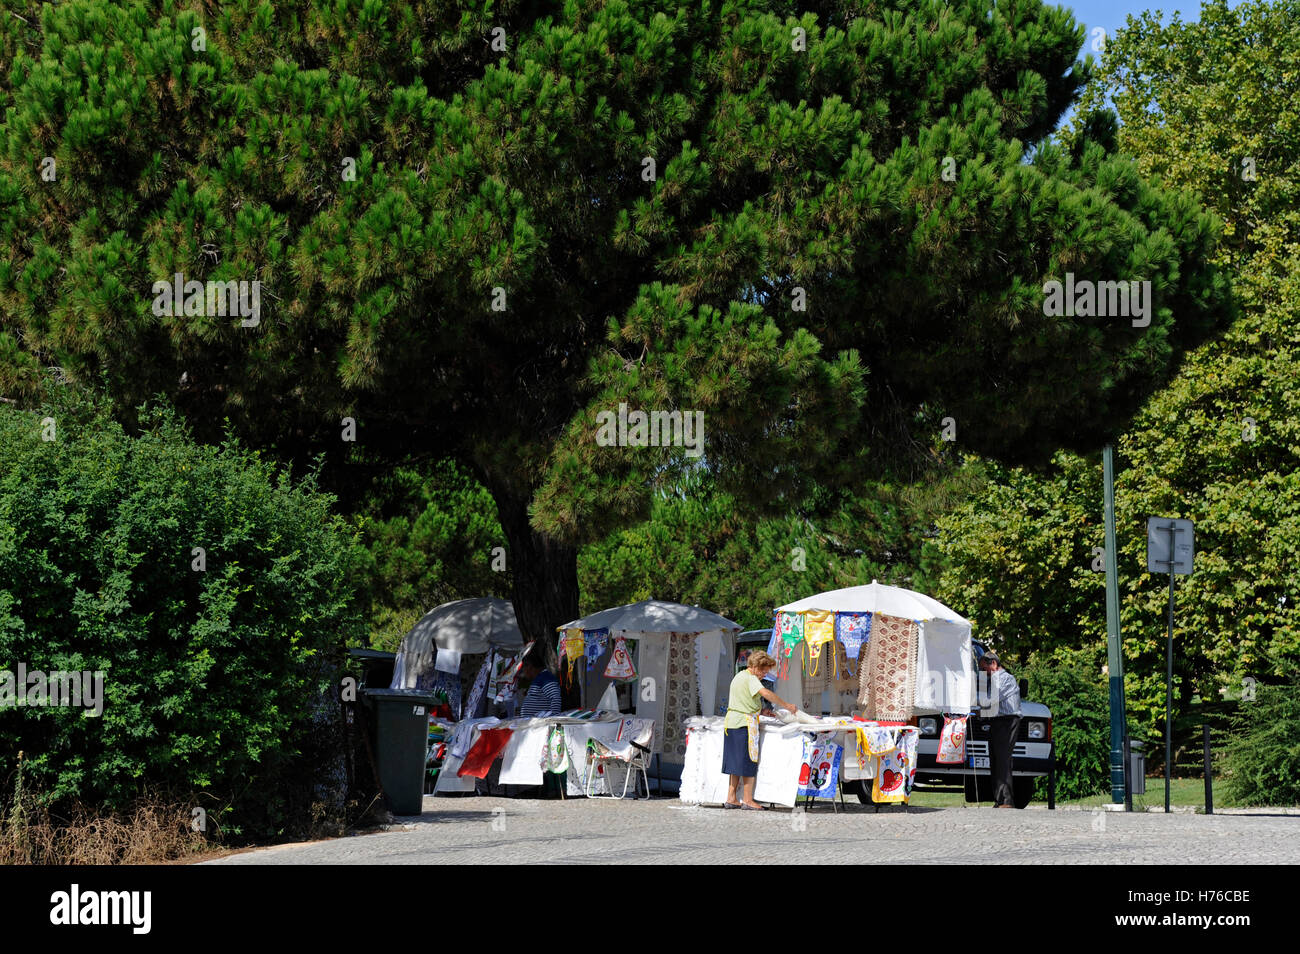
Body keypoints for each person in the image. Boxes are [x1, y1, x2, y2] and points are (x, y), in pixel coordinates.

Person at [723, 650, 797, 810]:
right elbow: (765, 693)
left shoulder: (739, 676)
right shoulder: (751, 678)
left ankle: (731, 797)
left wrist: (761, 711)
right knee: (749, 759)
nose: (765, 674)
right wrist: (786, 705)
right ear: (756, 667)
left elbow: (744, 700)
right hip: (744, 723)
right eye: (764, 671)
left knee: (735, 762)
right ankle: (748, 799)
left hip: (732, 723)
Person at [978, 651, 1022, 808]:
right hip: (998, 721)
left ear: (994, 664)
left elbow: (991, 700)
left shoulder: (1004, 679)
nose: (983, 673)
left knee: (1003, 760)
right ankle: (999, 799)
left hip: (1008, 721)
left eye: (984, 669)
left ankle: (1006, 800)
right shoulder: (994, 679)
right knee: (996, 760)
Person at [518, 648, 561, 718]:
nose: (523, 672)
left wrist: (554, 717)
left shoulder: (546, 677)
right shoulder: (539, 678)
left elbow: (555, 697)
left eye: (523, 668)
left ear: (530, 667)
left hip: (541, 723)